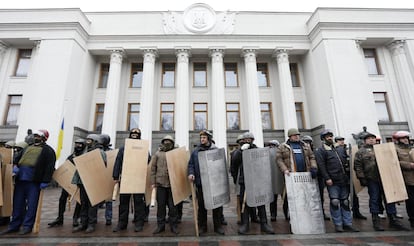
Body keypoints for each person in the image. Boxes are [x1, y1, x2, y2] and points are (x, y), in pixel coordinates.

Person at [0, 129, 56, 235]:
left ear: (44, 138)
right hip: (20, 180)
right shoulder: (27, 148)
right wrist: (15, 166)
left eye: (38, 136)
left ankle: (27, 226)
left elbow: (49, 167)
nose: (36, 138)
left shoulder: (48, 151)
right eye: (35, 136)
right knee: (17, 204)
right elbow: (16, 158)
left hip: (34, 182)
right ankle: (14, 225)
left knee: (32, 205)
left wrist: (45, 181)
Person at [354, 132, 410, 231]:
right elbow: (358, 166)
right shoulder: (361, 152)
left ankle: (393, 219)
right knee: (374, 199)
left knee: (390, 198)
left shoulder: (382, 149)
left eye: (373, 138)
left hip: (385, 178)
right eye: (369, 138)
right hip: (372, 178)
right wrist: (362, 178)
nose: (371, 140)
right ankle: (376, 220)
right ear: (365, 140)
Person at [315, 130, 359, 232]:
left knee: (345, 202)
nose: (330, 138)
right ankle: (338, 224)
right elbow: (321, 166)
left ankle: (347, 223)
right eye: (327, 136)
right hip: (332, 180)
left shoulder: (339, 149)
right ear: (323, 138)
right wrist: (327, 178)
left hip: (343, 179)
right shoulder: (321, 150)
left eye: (331, 136)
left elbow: (346, 161)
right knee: (335, 201)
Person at [232, 132, 274, 235]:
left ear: (252, 139)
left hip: (257, 180)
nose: (247, 141)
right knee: (245, 202)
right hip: (245, 180)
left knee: (260, 202)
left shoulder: (258, 149)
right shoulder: (239, 151)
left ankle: (264, 224)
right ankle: (245, 224)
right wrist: (241, 151)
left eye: (249, 139)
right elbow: (234, 162)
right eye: (245, 139)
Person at [188, 130, 225, 235]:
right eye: (201, 138)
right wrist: (191, 173)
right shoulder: (196, 151)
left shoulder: (216, 150)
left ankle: (217, 226)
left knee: (217, 206)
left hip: (214, 184)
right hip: (201, 184)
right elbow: (191, 164)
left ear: (208, 138)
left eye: (204, 138)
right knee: (202, 206)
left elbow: (221, 166)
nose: (202, 139)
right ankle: (202, 226)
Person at [276, 128, 318, 221]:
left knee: (304, 195)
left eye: (298, 135)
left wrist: (313, 167)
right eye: (295, 135)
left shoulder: (305, 145)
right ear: (290, 136)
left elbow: (312, 157)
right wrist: (285, 170)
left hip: (304, 175)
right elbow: (279, 159)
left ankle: (303, 213)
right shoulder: (283, 147)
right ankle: (289, 214)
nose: (297, 137)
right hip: (291, 176)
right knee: (289, 196)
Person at [112, 128, 149, 233]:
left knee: (139, 203)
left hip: (138, 178)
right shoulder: (123, 148)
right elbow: (118, 161)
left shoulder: (143, 147)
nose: (134, 134)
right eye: (132, 133)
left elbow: (149, 161)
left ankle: (139, 223)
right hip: (126, 178)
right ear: (130, 134)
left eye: (136, 133)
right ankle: (122, 224)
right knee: (123, 203)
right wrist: (115, 176)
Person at [72, 134, 106, 233]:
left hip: (93, 181)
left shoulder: (100, 152)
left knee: (92, 204)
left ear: (95, 141)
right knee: (83, 203)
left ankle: (91, 223)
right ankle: (83, 223)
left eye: (89, 140)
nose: (87, 142)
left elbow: (102, 166)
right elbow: (79, 166)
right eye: (87, 140)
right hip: (83, 181)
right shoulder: (84, 151)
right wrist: (77, 180)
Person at [48, 138, 85, 228]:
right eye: (76, 144)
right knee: (62, 198)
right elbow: (66, 166)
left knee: (79, 200)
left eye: (80, 144)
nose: (78, 146)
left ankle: (76, 217)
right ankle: (60, 218)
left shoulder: (84, 156)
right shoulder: (71, 156)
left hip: (79, 182)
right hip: (68, 181)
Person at [150, 135, 179, 234]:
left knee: (173, 208)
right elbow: (153, 168)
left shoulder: (175, 153)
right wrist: (153, 182)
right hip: (160, 184)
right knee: (161, 207)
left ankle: (173, 226)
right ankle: (160, 226)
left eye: (169, 141)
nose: (167, 143)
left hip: (172, 185)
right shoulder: (157, 154)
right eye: (165, 141)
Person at [334, 136, 367, 220]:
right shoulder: (335, 150)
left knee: (354, 195)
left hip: (351, 175)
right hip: (342, 176)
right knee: (343, 197)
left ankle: (356, 211)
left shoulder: (348, 149)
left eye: (342, 140)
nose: (341, 141)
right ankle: (344, 213)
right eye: (339, 140)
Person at [302, 135, 330, 221]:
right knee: (307, 196)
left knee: (320, 196)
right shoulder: (302, 152)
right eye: (305, 142)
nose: (307, 144)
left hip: (318, 177)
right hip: (307, 177)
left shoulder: (317, 151)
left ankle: (321, 212)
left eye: (308, 142)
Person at [393, 131, 414, 228]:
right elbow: (395, 161)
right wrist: (409, 165)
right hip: (407, 178)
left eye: (406, 138)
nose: (405, 140)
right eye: (403, 138)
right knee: (411, 201)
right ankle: (412, 219)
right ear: (398, 140)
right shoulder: (396, 149)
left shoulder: (412, 148)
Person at [100, 134, 113, 226]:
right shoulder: (97, 151)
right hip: (98, 177)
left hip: (108, 177)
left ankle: (108, 218)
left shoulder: (111, 152)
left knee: (109, 200)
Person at [268, 139, 281, 222]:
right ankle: (273, 214)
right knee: (273, 198)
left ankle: (275, 214)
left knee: (285, 198)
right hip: (272, 178)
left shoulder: (281, 152)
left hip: (281, 177)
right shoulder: (267, 153)